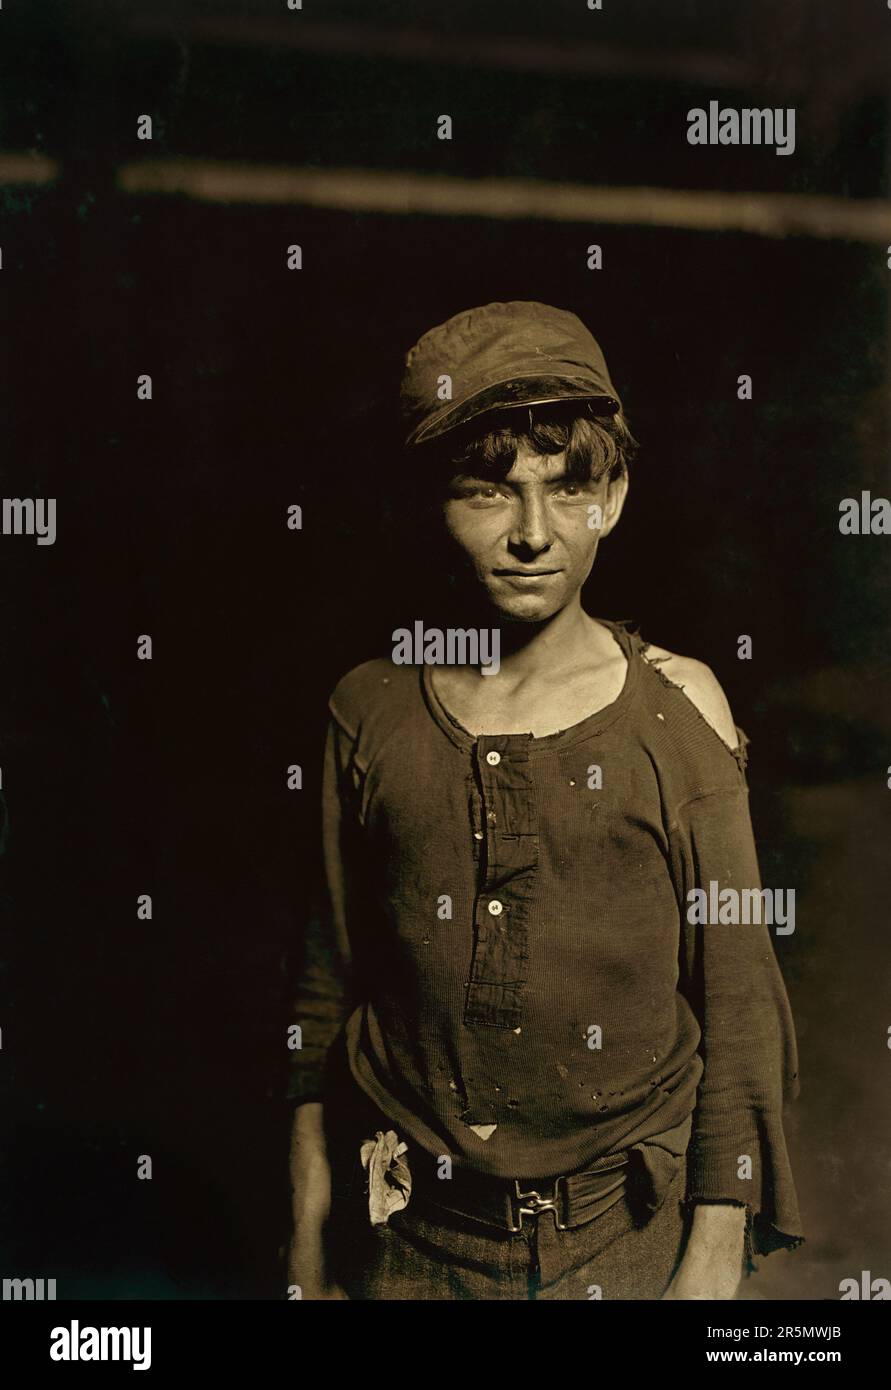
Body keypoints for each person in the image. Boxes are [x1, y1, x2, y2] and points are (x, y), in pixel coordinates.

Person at [286, 300, 804, 1301]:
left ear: (613, 493)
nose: (533, 533)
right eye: (489, 491)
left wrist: (705, 1265)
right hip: (406, 1237)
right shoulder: (370, 709)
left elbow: (739, 1008)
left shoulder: (677, 710)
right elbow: (321, 994)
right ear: (427, 498)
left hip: (618, 1238)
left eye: (570, 487)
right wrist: (307, 1238)